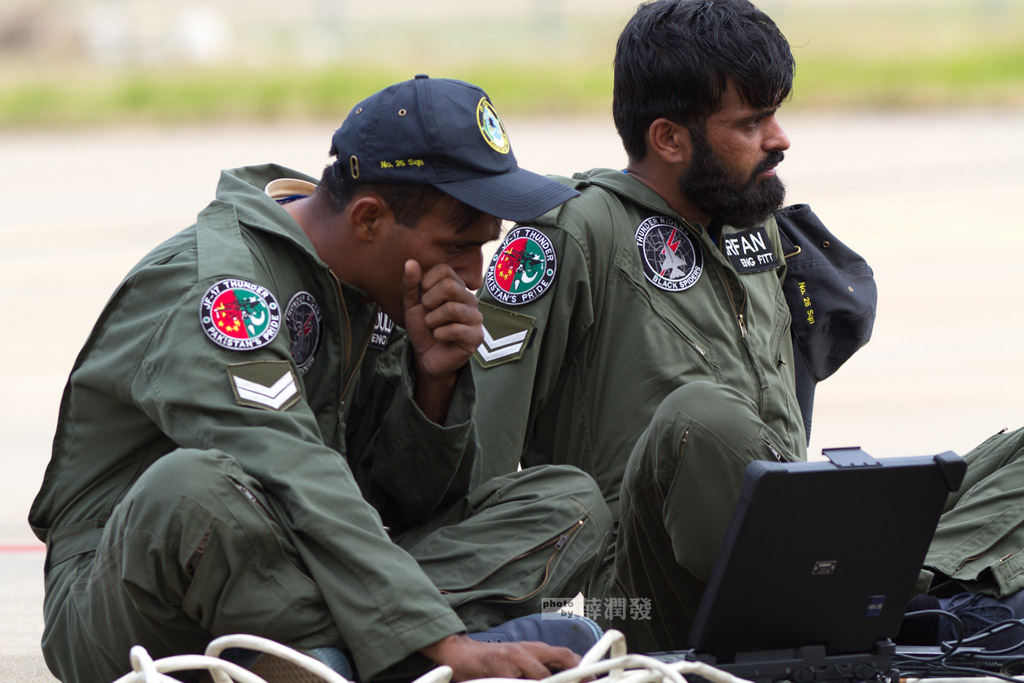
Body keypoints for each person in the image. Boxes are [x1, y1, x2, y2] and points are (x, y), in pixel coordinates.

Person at [29, 75, 614, 683]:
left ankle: (336, 656)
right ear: (367, 218)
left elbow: (406, 504)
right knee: (192, 486)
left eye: (484, 248)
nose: (473, 275)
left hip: (299, 564)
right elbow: (290, 468)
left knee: (568, 503)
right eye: (458, 246)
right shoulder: (221, 288)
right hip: (127, 594)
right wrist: (450, 645)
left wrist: (434, 383)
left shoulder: (376, 286)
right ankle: (409, 652)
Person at [471, 0, 834, 653]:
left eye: (775, 114)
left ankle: (861, 592)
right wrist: (479, 644)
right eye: (752, 122)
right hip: (634, 600)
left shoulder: (753, 223)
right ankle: (838, 603)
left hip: (779, 554)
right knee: (698, 417)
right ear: (669, 138)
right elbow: (483, 458)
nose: (779, 138)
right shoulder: (573, 231)